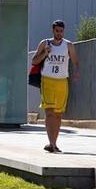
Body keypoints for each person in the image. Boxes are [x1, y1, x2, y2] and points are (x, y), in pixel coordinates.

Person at [31, 20, 80, 153]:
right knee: (49, 112)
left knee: (58, 113)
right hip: (47, 80)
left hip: (62, 81)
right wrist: (45, 53)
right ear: (53, 30)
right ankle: (51, 143)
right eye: (57, 31)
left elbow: (76, 61)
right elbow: (34, 61)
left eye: (61, 31)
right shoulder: (44, 43)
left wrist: (76, 73)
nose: (59, 33)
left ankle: (54, 143)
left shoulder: (68, 45)